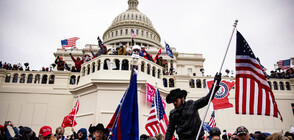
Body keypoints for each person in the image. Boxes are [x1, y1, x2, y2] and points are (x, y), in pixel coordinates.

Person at [165, 73, 222, 140]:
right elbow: (170, 130)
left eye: (176, 100)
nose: (174, 103)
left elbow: (207, 99)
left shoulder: (192, 105)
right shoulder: (173, 113)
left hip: (197, 137)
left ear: (182, 98)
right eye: (173, 101)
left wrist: (215, 85)